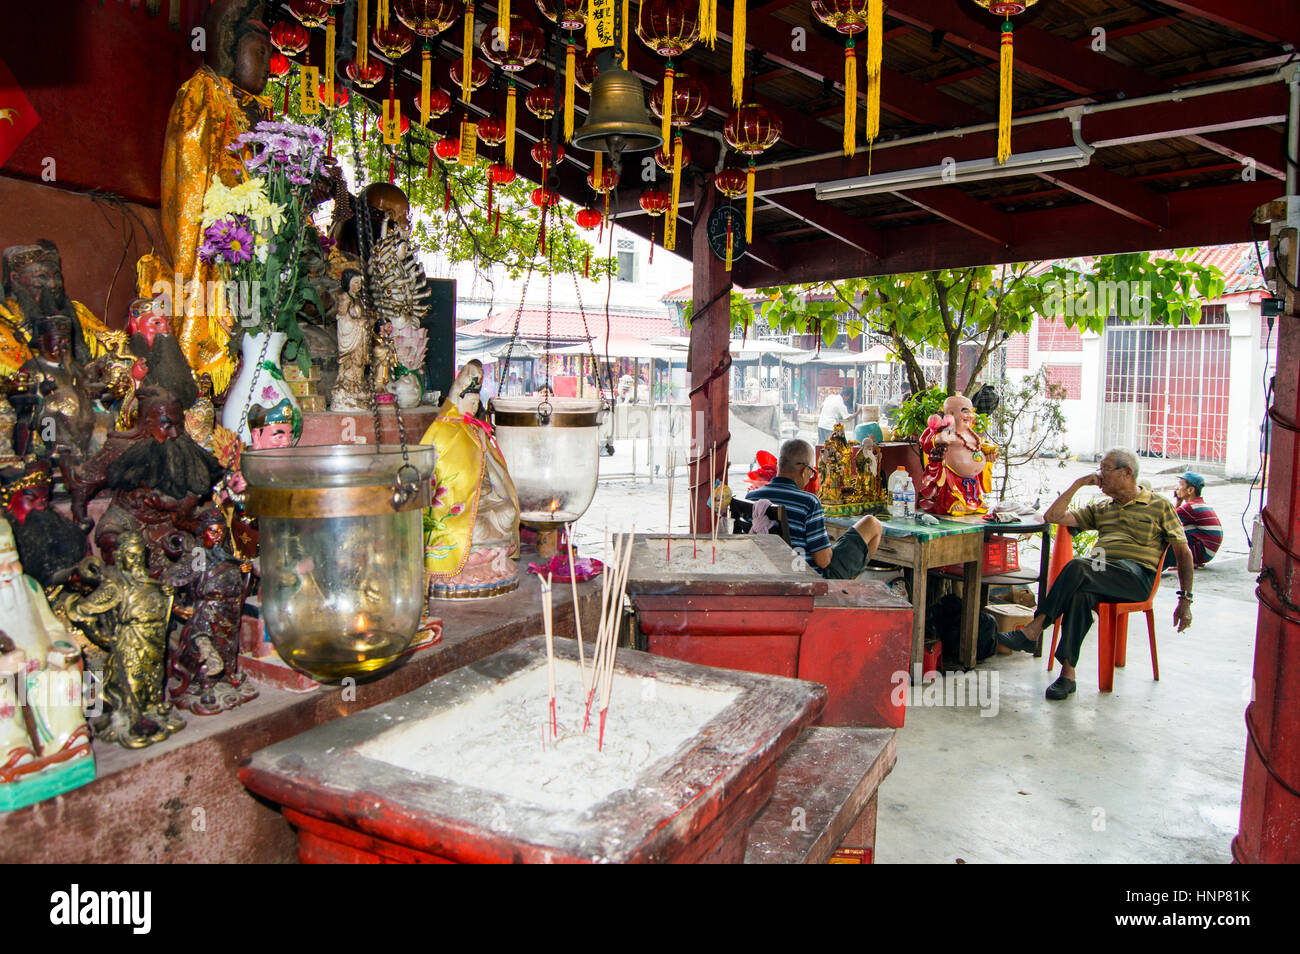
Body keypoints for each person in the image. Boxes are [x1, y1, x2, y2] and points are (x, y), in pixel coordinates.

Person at [999, 449, 1194, 701]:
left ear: (1127, 473)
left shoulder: (1159, 505)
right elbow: (1053, 517)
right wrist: (1078, 484)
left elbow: (1183, 552)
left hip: (1136, 577)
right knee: (1080, 593)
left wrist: (1185, 600)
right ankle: (1067, 676)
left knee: (1079, 566)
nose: (1099, 475)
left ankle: (1035, 628)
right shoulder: (1103, 508)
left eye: (1105, 469)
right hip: (1101, 573)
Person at [747, 438, 883, 579]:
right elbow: (823, 561)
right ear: (804, 470)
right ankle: (843, 589)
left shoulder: (752, 497)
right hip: (808, 578)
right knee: (872, 523)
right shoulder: (808, 502)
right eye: (811, 472)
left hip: (766, 572)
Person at [1163, 472, 1222, 569]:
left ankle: (1159, 567)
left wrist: (1178, 502)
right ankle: (1190, 561)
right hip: (1207, 553)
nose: (1178, 488)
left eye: (1181, 485)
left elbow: (1166, 518)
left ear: (1190, 490)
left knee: (1168, 535)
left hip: (1202, 551)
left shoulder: (1190, 507)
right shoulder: (1199, 504)